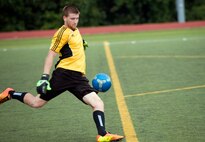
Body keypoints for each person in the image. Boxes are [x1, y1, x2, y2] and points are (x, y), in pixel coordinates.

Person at [0, 4, 124, 142]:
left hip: (78, 77)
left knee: (98, 103)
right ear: (64, 18)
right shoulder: (62, 33)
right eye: (72, 18)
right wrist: (44, 77)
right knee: (36, 103)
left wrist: (81, 44)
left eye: (77, 18)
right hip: (63, 75)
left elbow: (72, 44)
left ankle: (102, 134)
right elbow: (50, 55)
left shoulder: (75, 30)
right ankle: (10, 93)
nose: (75, 21)